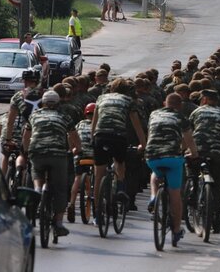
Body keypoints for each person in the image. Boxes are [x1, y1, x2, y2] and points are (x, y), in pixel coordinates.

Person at [23, 90, 81, 237]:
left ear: (42, 102)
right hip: (58, 154)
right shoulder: (65, 117)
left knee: (36, 171)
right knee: (60, 188)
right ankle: (59, 223)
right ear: (58, 103)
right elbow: (73, 136)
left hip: (37, 152)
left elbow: (26, 135)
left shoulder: (34, 115)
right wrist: (77, 150)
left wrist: (25, 151)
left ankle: (37, 190)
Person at [145, 93, 199, 247]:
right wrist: (194, 154)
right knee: (175, 194)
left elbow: (151, 135)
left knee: (155, 173)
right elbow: (189, 140)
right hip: (173, 158)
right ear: (180, 105)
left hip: (152, 155)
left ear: (164, 103)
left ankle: (154, 196)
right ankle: (176, 230)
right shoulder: (181, 118)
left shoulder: (154, 114)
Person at [91, 78, 147, 224]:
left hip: (101, 135)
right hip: (118, 136)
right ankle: (121, 187)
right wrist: (143, 144)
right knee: (120, 163)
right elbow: (136, 124)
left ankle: (97, 213)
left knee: (99, 175)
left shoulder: (101, 98)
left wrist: (92, 139)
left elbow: (94, 122)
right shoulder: (129, 101)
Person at [188, 89, 220, 234]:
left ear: (204, 99)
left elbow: (189, 132)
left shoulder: (197, 112)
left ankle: (192, 196)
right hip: (216, 152)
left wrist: (186, 150)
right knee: (217, 187)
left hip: (198, 151)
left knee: (192, 173)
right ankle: (216, 220)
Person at [3, 70, 42, 175]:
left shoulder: (17, 96)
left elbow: (10, 121)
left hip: (23, 131)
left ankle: (11, 177)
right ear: (38, 81)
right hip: (40, 132)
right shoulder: (44, 95)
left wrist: (8, 139)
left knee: (14, 154)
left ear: (24, 81)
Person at [67, 102, 96, 223]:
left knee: (77, 178)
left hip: (80, 155)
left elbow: (70, 135)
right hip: (94, 156)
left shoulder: (79, 124)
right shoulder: (98, 124)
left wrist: (72, 148)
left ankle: (72, 203)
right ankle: (96, 201)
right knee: (99, 174)